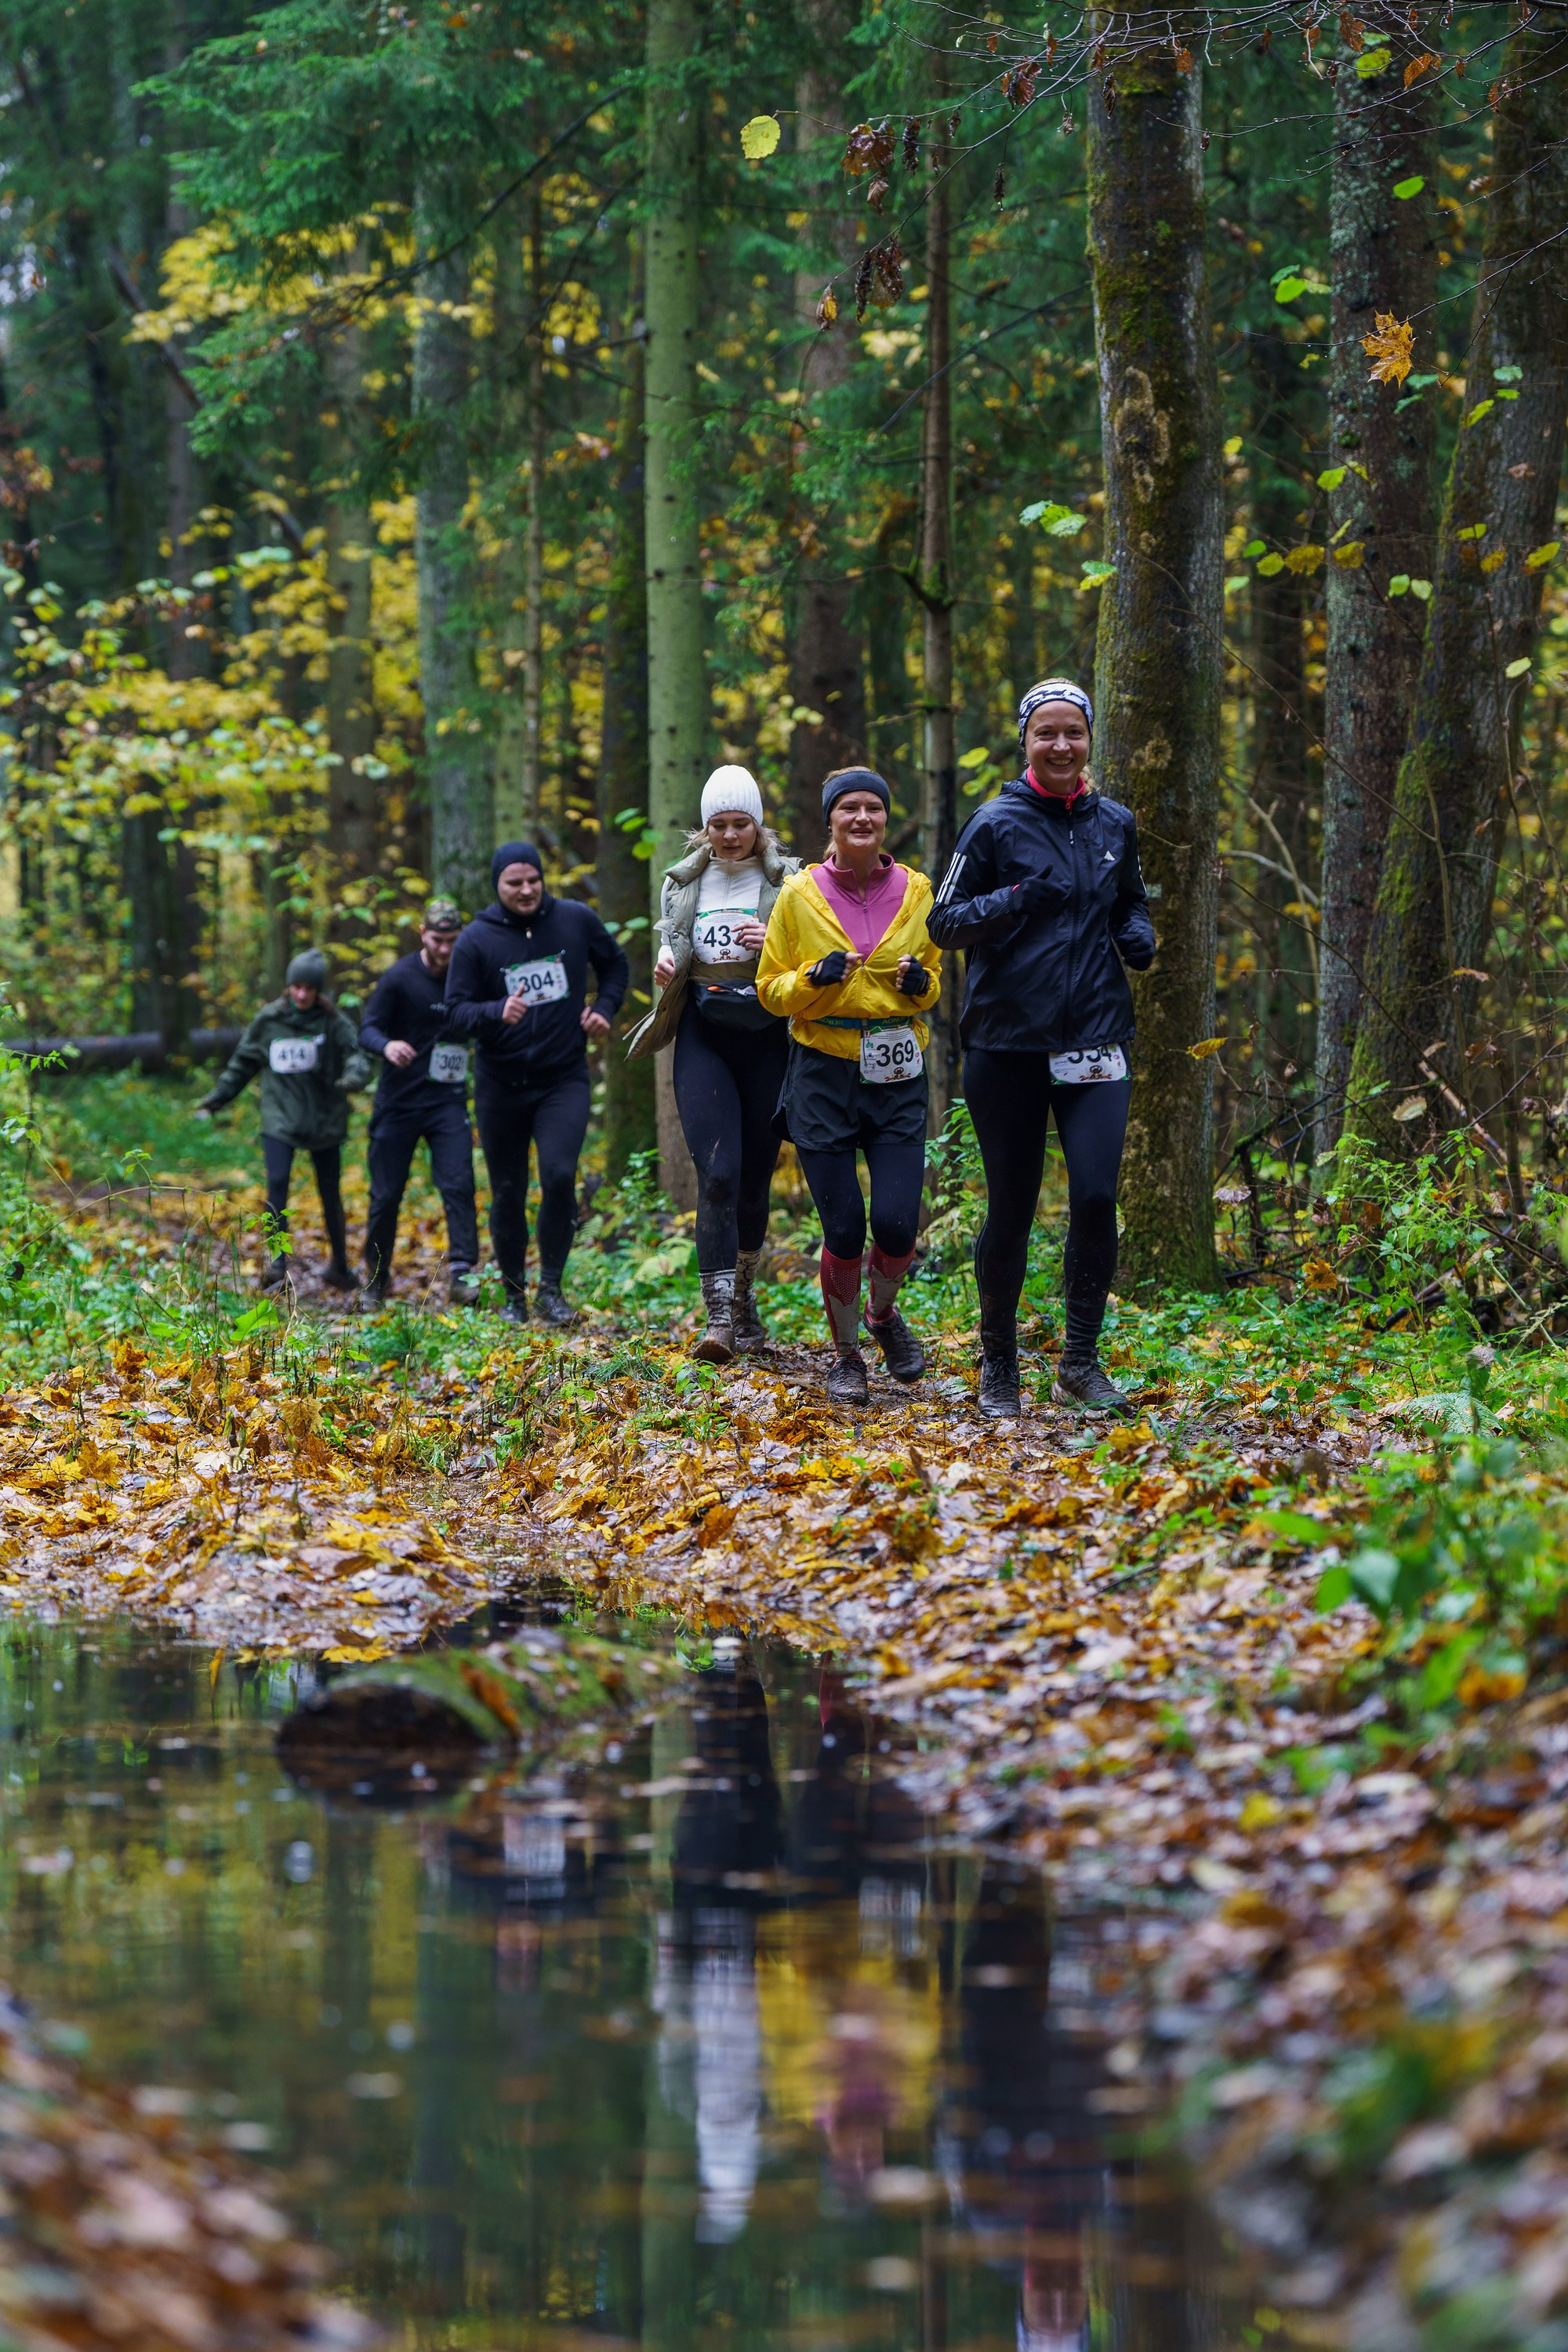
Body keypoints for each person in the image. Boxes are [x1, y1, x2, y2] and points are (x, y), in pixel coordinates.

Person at [927, 678, 1155, 1421]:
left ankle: (1079, 1364)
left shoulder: (1115, 822)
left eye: (1074, 733)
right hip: (1007, 1043)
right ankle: (998, 1365)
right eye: (1046, 733)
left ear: (1090, 740)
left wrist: (1135, 934)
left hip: (1095, 1039)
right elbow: (945, 923)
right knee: (1013, 1206)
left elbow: (1128, 897)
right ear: (1024, 740)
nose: (1061, 745)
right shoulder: (994, 823)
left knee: (1095, 1197)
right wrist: (1015, 898)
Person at [756, 768, 941, 1406]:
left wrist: (922, 987)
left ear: (886, 820)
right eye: (849, 809)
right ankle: (845, 1357)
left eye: (873, 810)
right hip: (822, 1071)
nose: (861, 819)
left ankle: (883, 1317)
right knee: (844, 1229)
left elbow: (935, 976)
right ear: (829, 819)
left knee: (894, 1224)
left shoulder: (917, 891)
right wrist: (813, 977)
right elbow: (770, 988)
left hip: (897, 1072)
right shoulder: (797, 895)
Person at [628, 765, 798, 1362]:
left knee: (753, 1182)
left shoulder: (790, 883)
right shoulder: (682, 882)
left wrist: (772, 944)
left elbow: (809, 952)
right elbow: (670, 936)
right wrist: (666, 964)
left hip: (767, 1035)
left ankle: (747, 1297)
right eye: (719, 825)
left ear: (758, 825)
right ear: (704, 830)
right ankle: (720, 1319)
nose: (730, 837)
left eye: (740, 824)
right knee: (718, 1174)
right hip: (703, 1030)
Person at [443, 841, 629, 1324]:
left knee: (561, 1175)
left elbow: (616, 965)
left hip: (562, 1078)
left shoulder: (574, 919)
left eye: (533, 881)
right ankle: (512, 1297)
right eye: (514, 883)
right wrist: (494, 1011)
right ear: (497, 886)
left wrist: (604, 1008)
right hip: (500, 1084)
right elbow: (456, 1011)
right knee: (507, 1189)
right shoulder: (476, 940)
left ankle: (551, 1287)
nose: (526, 891)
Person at [195, 947, 371, 1292]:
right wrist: (215, 1101)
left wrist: (353, 1079)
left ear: (319, 991)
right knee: (277, 1184)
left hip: (324, 1119)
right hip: (280, 1119)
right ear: (288, 987)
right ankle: (276, 1264)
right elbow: (242, 1064)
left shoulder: (333, 1022)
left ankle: (339, 1265)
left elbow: (358, 1056)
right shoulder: (269, 1021)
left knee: (330, 1193)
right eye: (297, 987)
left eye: (310, 988)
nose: (302, 994)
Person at [358, 898, 481, 1306]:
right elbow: (368, 1028)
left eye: (452, 940)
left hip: (447, 1102)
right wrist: (387, 1044)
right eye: (437, 939)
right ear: (423, 935)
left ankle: (463, 1274)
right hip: (399, 1103)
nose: (445, 948)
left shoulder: (468, 976)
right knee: (386, 1195)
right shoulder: (399, 978)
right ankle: (375, 1279)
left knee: (459, 1184)